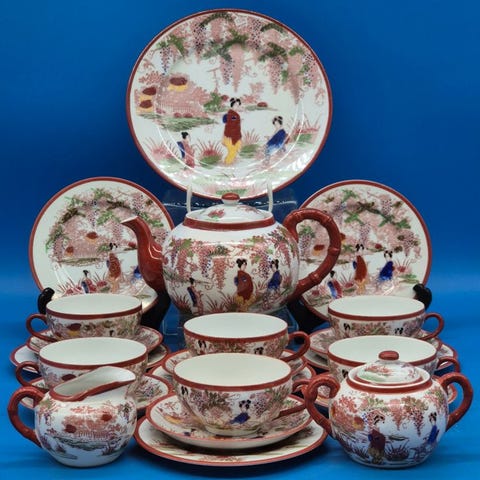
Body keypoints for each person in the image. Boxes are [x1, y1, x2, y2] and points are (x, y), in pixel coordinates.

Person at [222, 98, 242, 165]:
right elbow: (231, 125)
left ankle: (227, 162)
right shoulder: (233, 115)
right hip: (230, 137)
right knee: (232, 151)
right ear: (232, 105)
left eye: (238, 105)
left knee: (234, 150)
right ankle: (227, 164)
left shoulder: (233, 114)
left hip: (233, 136)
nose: (237, 107)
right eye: (236, 105)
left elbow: (232, 123)